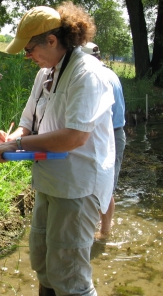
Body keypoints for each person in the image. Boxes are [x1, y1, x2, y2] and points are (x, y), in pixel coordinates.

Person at [0, 2, 115, 296]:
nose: (28, 56)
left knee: (69, 276)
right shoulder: (45, 73)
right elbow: (28, 122)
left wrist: (19, 144)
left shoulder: (87, 74)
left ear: (51, 40)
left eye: (30, 49)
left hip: (77, 185)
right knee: (44, 265)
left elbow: (74, 137)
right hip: (49, 182)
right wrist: (12, 138)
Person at [81, 42, 126, 240]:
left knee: (105, 188)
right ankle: (104, 229)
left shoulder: (95, 76)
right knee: (104, 185)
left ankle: (105, 232)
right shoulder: (110, 73)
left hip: (107, 136)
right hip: (115, 133)